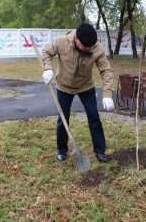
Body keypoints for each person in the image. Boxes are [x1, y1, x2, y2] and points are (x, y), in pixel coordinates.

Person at [42, 23, 115, 163]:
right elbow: (46, 52)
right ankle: (62, 150)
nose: (88, 49)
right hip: (64, 86)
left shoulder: (96, 48)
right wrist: (48, 68)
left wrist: (107, 94)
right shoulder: (62, 41)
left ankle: (100, 151)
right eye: (85, 47)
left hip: (86, 87)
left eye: (90, 47)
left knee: (94, 117)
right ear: (76, 39)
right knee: (63, 118)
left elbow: (106, 70)